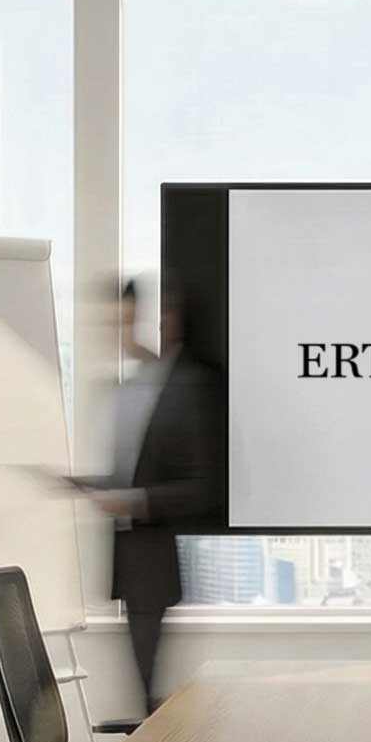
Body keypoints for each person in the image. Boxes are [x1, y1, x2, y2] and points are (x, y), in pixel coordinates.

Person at [90, 274, 222, 712]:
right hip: (130, 562)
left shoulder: (189, 386)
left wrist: (135, 502)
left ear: (162, 321)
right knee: (145, 698)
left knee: (153, 704)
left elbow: (206, 487)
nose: (119, 335)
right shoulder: (134, 388)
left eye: (127, 322)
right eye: (114, 323)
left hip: (157, 560)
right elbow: (132, 471)